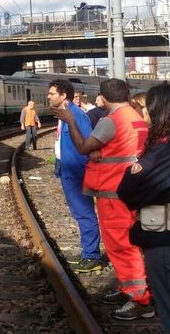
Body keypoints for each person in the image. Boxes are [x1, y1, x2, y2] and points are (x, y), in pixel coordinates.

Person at [54, 78, 154, 321]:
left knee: (121, 246)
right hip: (131, 190)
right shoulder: (136, 117)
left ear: (103, 97)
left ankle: (140, 299)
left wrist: (71, 122)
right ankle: (128, 288)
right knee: (130, 243)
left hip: (114, 192)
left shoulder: (112, 121)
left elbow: (83, 147)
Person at [118, 84, 170, 333]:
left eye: (149, 109)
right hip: (169, 226)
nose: (146, 114)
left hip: (164, 232)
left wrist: (133, 174)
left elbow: (128, 189)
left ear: (163, 111)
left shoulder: (167, 150)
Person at [47, 80, 102, 274]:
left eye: (52, 93)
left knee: (84, 212)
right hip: (69, 170)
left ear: (63, 96)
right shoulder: (65, 114)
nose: (48, 96)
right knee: (80, 212)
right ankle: (88, 252)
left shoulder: (76, 115)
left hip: (77, 171)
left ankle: (91, 256)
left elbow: (88, 143)